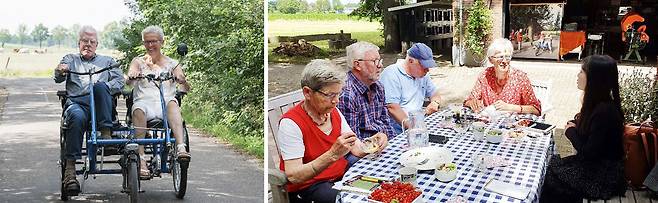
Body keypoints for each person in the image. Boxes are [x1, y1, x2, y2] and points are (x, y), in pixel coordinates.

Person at [277, 59, 368, 203]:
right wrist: (332, 154)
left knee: (375, 187)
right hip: (309, 187)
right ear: (307, 92)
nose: (336, 100)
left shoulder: (333, 112)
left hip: (339, 176)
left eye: (338, 94)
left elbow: (357, 148)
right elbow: (294, 176)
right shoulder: (291, 123)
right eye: (330, 95)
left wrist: (375, 142)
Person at [540, 55, 626, 202]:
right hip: (593, 166)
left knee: (550, 175)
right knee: (551, 161)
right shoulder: (597, 103)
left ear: (595, 79)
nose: (578, 75)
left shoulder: (605, 111)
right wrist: (574, 124)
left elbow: (588, 153)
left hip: (601, 176)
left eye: (582, 71)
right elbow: (587, 129)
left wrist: (570, 131)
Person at [55, 25, 125, 195]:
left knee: (100, 87)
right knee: (76, 116)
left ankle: (106, 135)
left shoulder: (108, 61)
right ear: (78, 42)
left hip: (102, 104)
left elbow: (120, 82)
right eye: (84, 41)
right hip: (78, 103)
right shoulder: (70, 59)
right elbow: (58, 77)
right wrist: (61, 70)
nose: (88, 44)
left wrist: (104, 87)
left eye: (91, 41)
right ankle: (70, 171)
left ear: (97, 44)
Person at [126, 25, 191, 179]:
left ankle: (181, 148)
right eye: (147, 42)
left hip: (165, 103)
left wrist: (182, 80)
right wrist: (132, 75)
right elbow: (128, 82)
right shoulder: (138, 61)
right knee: (138, 109)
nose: (150, 45)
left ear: (162, 42)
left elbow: (185, 87)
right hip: (144, 102)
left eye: (153, 41)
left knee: (173, 103)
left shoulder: (172, 63)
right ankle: (141, 160)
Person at [337, 41, 394, 166]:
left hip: (381, 143)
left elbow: (385, 121)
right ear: (357, 65)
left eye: (380, 60)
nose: (380, 66)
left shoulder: (378, 86)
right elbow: (353, 143)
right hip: (361, 152)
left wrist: (392, 141)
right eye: (375, 61)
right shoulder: (347, 94)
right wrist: (379, 141)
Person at [463, 38, 541, 115]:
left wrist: (511, 107)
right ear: (491, 60)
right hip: (490, 124)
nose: (504, 61)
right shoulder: (484, 75)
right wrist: (472, 103)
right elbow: (468, 101)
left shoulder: (520, 78)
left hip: (515, 125)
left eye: (507, 57)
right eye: (500, 57)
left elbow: (536, 109)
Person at [379, 43, 442, 134]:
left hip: (417, 123)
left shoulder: (423, 75)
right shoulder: (391, 74)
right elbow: (392, 108)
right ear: (410, 61)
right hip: (396, 130)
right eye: (424, 65)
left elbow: (435, 93)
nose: (427, 70)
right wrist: (414, 128)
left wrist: (435, 103)